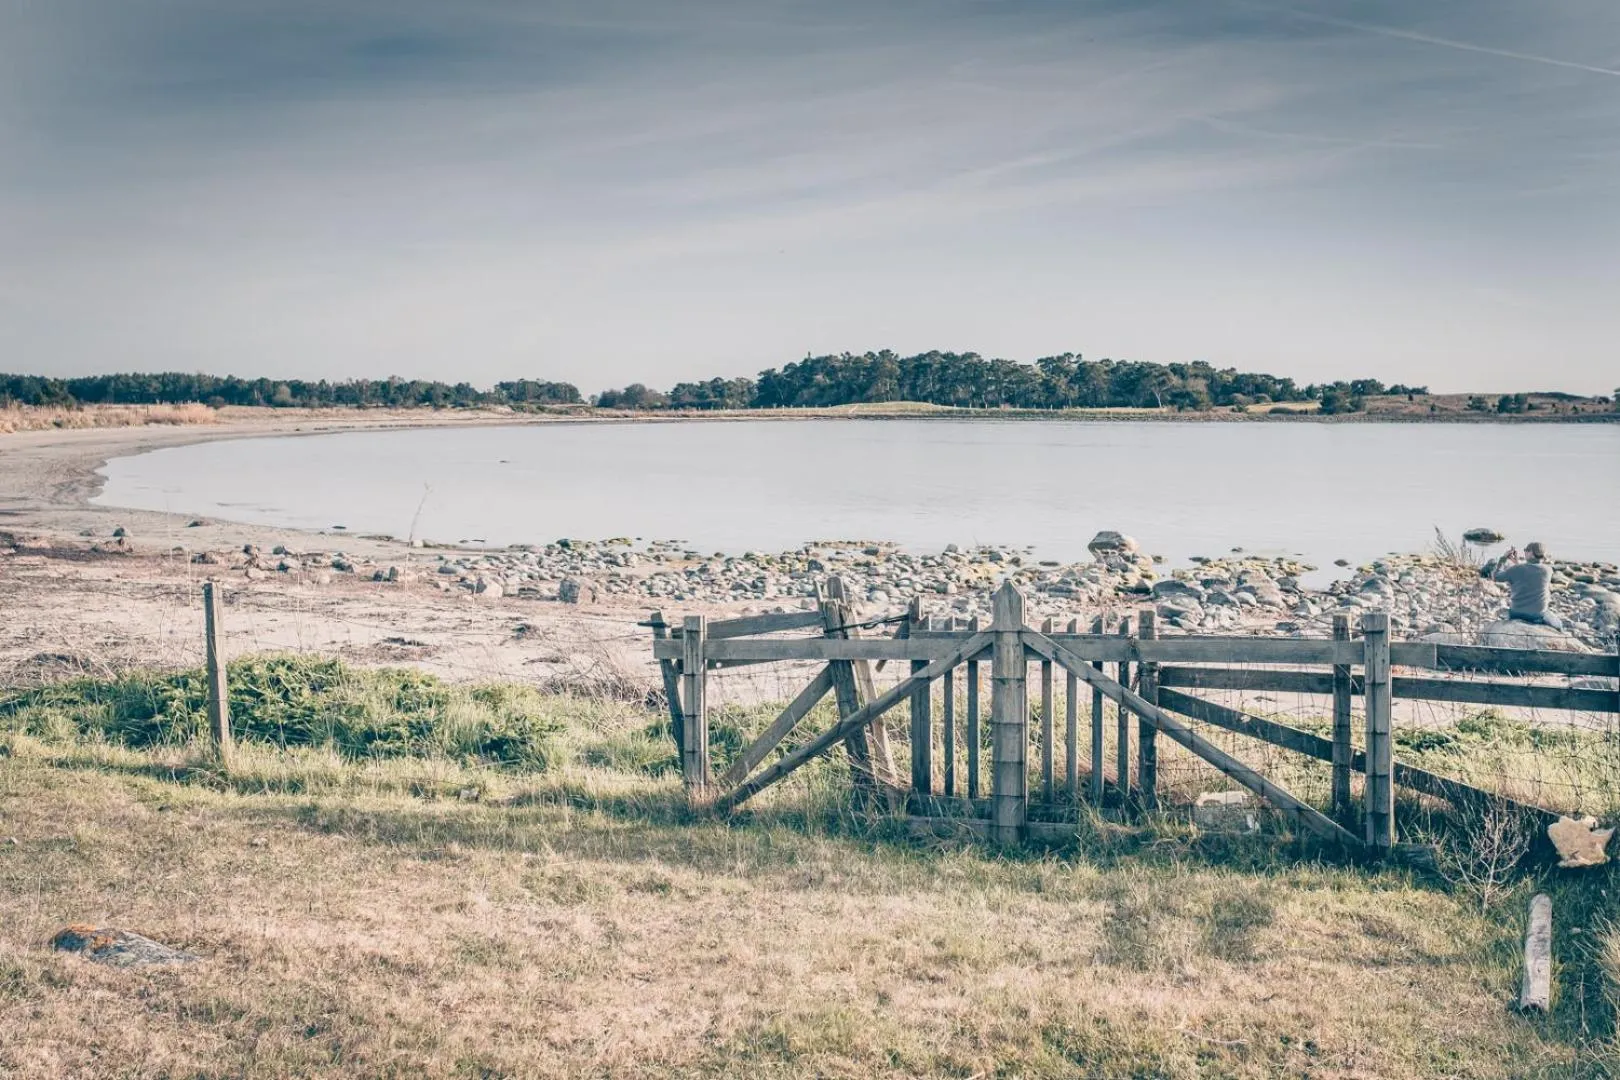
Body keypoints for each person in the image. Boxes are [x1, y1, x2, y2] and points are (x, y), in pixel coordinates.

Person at [1481, 541, 1563, 629]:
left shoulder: (1516, 569)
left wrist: (1503, 559)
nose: (1525, 552)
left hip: (1516, 613)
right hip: (1537, 615)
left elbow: (1496, 577)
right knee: (1559, 625)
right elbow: (1529, 573)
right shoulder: (1548, 570)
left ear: (1531, 553)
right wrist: (1517, 562)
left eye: (1526, 550)